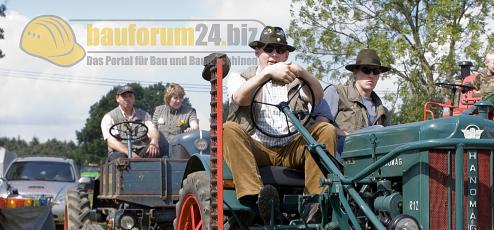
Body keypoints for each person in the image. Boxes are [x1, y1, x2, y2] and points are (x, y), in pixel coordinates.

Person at [223, 25, 336, 212]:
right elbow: (241, 98)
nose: (274, 54)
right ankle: (256, 198)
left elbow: (317, 96)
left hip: (291, 148)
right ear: (258, 52)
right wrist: (267, 74)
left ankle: (316, 202)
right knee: (228, 129)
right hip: (256, 147)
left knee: (327, 130)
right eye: (268, 49)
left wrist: (303, 73)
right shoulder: (240, 77)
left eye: (280, 50)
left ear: (286, 56)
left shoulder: (297, 81)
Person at [315, 49, 392, 155]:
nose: (371, 75)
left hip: (373, 162)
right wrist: (343, 134)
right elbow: (320, 126)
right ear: (355, 73)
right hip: (340, 160)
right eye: (366, 70)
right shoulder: (337, 93)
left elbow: (390, 141)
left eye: (376, 71)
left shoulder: (382, 111)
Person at [101, 85, 161, 162]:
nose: (127, 99)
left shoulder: (144, 115)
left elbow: (152, 129)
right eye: (124, 96)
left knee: (154, 151)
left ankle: (151, 173)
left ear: (134, 99)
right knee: (118, 158)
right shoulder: (109, 117)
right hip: (120, 152)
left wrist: (154, 141)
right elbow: (111, 142)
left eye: (130, 96)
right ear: (117, 99)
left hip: (141, 151)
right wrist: (131, 154)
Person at [152, 83, 199, 155]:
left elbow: (194, 125)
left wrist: (192, 129)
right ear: (168, 98)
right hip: (160, 148)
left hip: (180, 149)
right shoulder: (158, 110)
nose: (178, 101)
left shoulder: (189, 111)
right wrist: (154, 142)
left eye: (181, 98)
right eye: (175, 98)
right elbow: (153, 128)